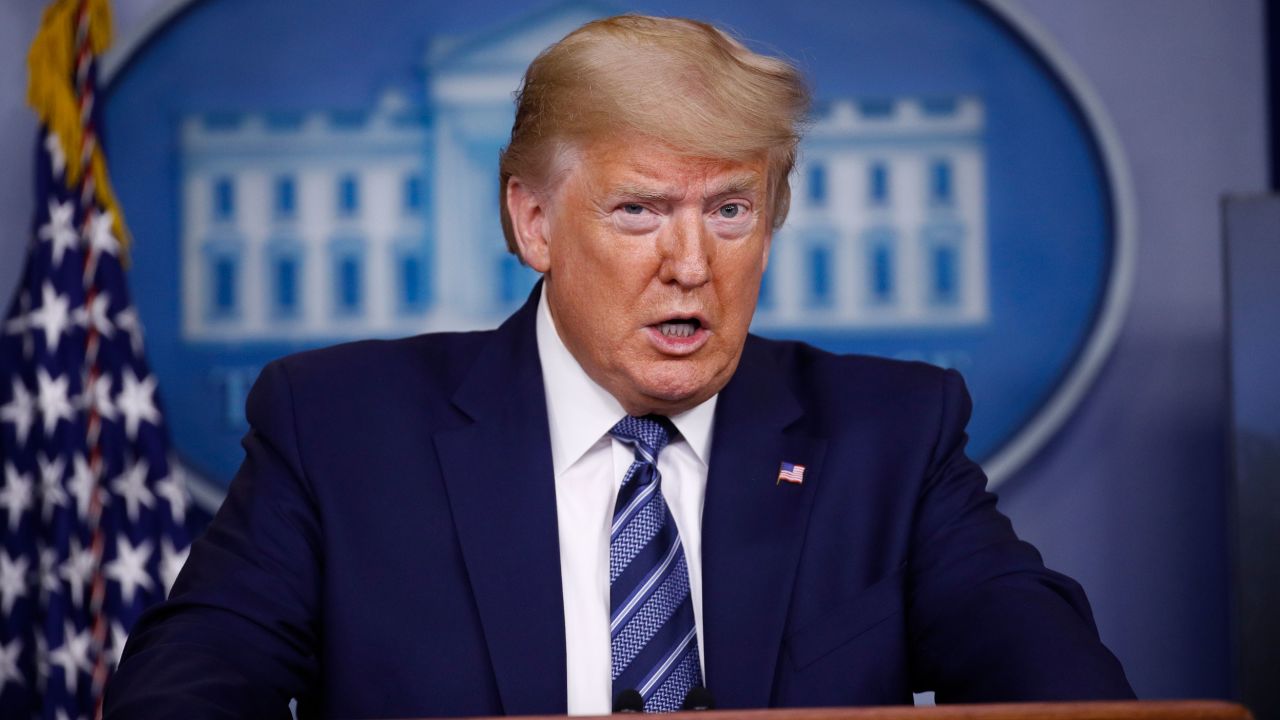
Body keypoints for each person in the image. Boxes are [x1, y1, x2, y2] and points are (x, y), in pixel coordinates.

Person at [105, 14, 1133, 719]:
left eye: (729, 210)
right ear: (533, 220)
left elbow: (1059, 688)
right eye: (638, 209)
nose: (691, 263)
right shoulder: (339, 430)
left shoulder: (888, 436)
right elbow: (188, 686)